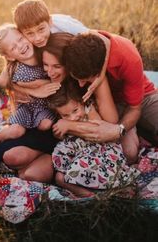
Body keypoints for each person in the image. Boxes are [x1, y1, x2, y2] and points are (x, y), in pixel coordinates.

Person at [41, 33, 139, 164]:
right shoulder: (49, 74)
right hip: (82, 135)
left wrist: (70, 126)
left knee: (129, 153)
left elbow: (111, 122)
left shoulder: (90, 70)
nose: (50, 73)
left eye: (57, 66)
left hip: (123, 104)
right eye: (45, 65)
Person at [0, 23, 60, 171]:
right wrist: (36, 88)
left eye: (20, 39)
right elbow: (7, 81)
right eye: (14, 47)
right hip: (26, 106)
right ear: (9, 56)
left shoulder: (42, 52)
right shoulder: (17, 68)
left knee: (45, 125)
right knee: (16, 131)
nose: (20, 46)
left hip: (43, 108)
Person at [64, 32, 158, 149]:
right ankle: (143, 133)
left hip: (142, 97)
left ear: (102, 67)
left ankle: (144, 132)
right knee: (128, 153)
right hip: (112, 105)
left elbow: (135, 108)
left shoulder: (128, 58)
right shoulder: (80, 46)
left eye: (85, 80)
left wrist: (118, 130)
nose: (81, 84)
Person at [49, 78, 139, 197]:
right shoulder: (62, 120)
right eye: (66, 115)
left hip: (98, 150)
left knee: (82, 168)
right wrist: (59, 132)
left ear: (82, 101)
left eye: (75, 110)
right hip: (77, 151)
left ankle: (103, 192)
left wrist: (69, 125)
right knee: (59, 178)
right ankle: (92, 196)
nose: (73, 117)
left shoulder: (88, 109)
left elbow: (96, 127)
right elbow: (59, 136)